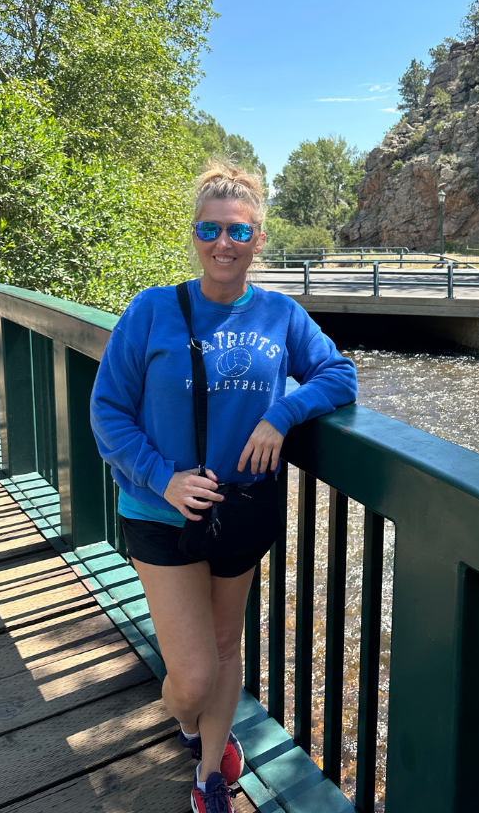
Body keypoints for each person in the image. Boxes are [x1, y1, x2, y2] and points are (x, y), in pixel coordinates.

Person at [90, 161, 358, 813]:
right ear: (194, 233)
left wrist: (281, 414)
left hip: (239, 510)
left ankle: (212, 775)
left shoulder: (279, 315)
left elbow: (338, 375)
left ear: (259, 239)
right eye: (210, 228)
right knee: (193, 677)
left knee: (226, 644)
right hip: (159, 510)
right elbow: (107, 411)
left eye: (238, 231)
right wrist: (163, 477)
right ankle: (187, 721)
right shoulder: (152, 310)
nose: (223, 243)